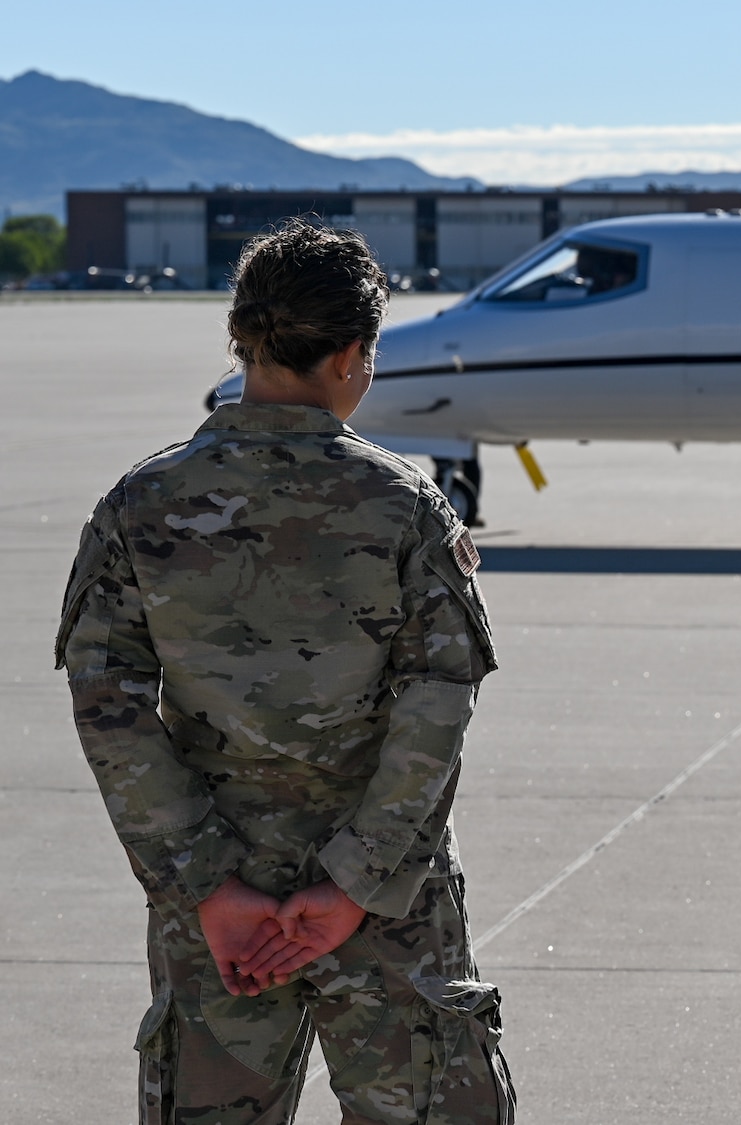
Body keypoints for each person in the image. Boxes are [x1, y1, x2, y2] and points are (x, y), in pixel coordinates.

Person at [58, 219, 515, 1123]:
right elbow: (437, 706)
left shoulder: (140, 502)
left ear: (245, 339)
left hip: (221, 922)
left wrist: (208, 883)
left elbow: (106, 700)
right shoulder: (404, 506)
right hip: (388, 910)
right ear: (351, 356)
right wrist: (352, 881)